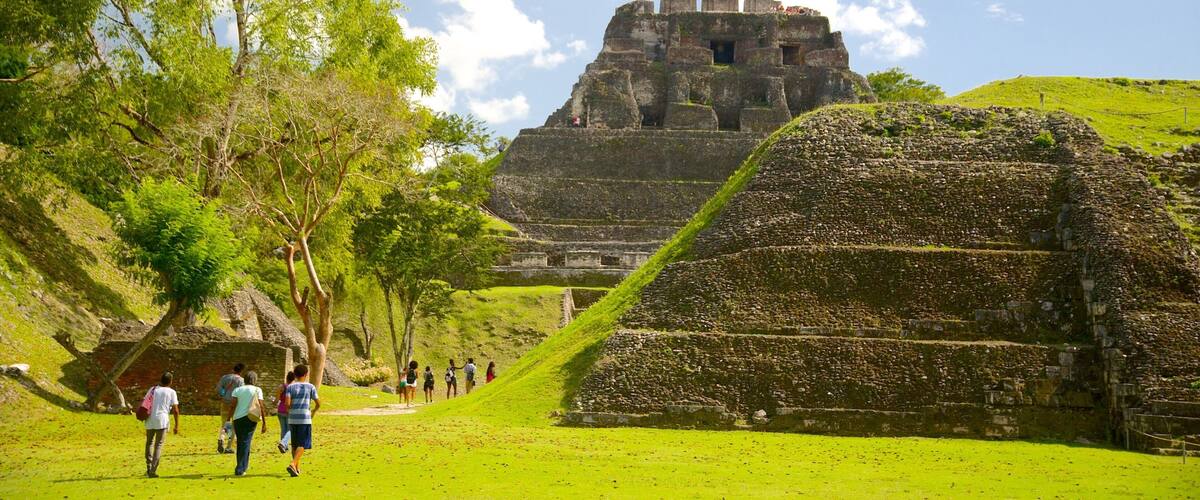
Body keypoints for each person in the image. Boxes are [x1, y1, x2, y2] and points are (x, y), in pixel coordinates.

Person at [283, 365, 320, 477]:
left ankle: (296, 468)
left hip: (293, 418)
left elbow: (287, 404)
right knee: (303, 443)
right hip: (304, 418)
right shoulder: (310, 387)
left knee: (294, 444)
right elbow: (318, 403)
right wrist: (313, 411)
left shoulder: (290, 387)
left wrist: (290, 411)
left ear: (295, 374)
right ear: (306, 374)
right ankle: (293, 463)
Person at [229, 371, 268, 477]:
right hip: (251, 417)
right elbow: (261, 405)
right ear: (254, 380)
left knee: (241, 442)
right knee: (246, 442)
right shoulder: (257, 390)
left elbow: (232, 405)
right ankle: (241, 468)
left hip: (238, 418)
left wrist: (228, 418)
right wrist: (264, 422)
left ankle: (241, 466)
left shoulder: (237, 390)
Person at [142, 372, 180, 479]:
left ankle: (149, 466)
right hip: (162, 420)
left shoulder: (153, 389)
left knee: (149, 442)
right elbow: (176, 410)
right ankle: (153, 470)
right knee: (158, 445)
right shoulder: (171, 392)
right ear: (170, 381)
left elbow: (144, 402)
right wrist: (176, 425)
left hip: (150, 419)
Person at [216, 363, 245, 454]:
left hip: (225, 403)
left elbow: (218, 388)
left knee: (224, 423)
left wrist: (223, 394)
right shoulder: (241, 380)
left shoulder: (225, 377)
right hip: (235, 404)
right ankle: (228, 447)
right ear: (241, 371)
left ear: (233, 369)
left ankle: (221, 438)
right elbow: (241, 393)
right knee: (234, 426)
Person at [275, 371, 295, 454]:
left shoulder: (281, 387)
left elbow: (277, 400)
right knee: (290, 429)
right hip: (289, 410)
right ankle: (284, 444)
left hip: (280, 410)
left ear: (286, 377)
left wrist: (274, 401)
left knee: (283, 428)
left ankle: (284, 446)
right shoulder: (293, 388)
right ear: (293, 379)